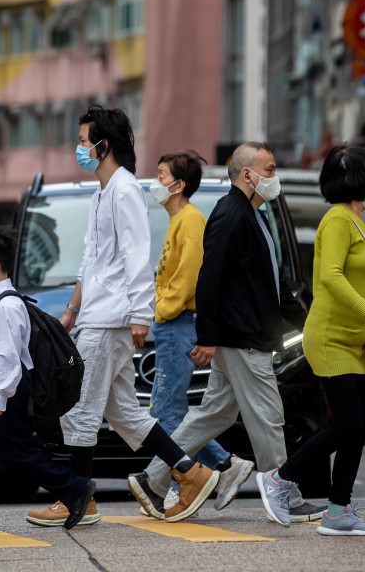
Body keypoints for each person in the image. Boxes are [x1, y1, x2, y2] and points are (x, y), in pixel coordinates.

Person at [133, 142, 323, 522]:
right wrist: (208, 334)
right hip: (242, 338)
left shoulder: (254, 215)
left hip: (246, 335)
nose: (274, 177)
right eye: (269, 169)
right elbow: (209, 278)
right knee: (269, 416)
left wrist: (308, 324)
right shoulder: (230, 214)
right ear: (247, 174)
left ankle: (152, 478)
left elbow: (272, 283)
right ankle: (285, 495)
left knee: (212, 415)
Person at [58, 105, 218, 524]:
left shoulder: (125, 190)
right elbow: (89, 260)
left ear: (102, 145)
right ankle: (191, 471)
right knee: (124, 412)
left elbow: (136, 255)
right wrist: (72, 309)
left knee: (79, 410)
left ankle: (78, 498)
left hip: (111, 318)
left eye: (82, 141)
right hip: (95, 314)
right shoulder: (102, 191)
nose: (78, 148)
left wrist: (140, 315)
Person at [257, 144, 365, 536]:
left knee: (358, 426)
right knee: (347, 424)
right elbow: (330, 276)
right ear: (355, 176)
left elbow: (360, 280)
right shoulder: (336, 220)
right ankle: (279, 480)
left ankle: (337, 510)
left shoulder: (357, 220)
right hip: (330, 338)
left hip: (353, 338)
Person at [0, 227, 96, 533]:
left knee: (17, 452)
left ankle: (75, 489)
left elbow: (8, 358)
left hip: (4, 389)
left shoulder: (7, 305)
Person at [146, 151, 233, 494]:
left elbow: (190, 277)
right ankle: (223, 467)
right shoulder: (178, 220)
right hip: (172, 322)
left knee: (167, 413)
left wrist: (162, 309)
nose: (157, 183)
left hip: (177, 322)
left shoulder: (190, 220)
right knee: (170, 411)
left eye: (162, 175)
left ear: (179, 185)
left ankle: (189, 482)